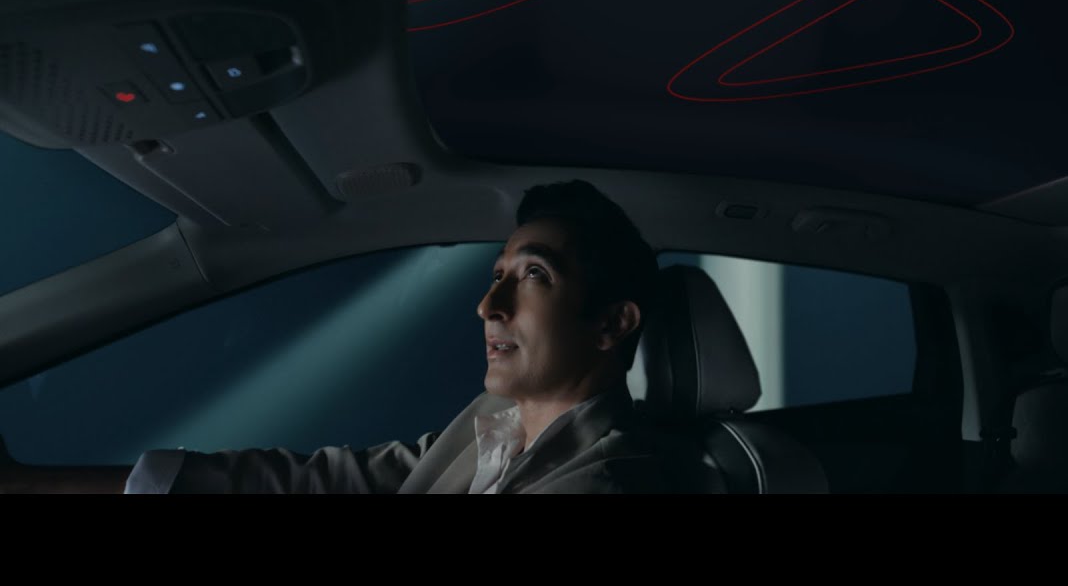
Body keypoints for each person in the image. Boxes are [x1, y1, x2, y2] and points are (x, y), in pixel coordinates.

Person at [0, 179, 690, 494]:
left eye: (533, 275)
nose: (489, 305)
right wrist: (31, 485)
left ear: (612, 323)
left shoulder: (603, 484)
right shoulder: (493, 427)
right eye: (497, 275)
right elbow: (322, 481)